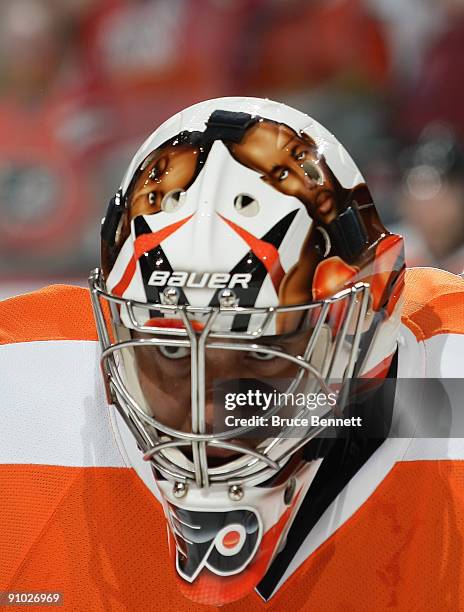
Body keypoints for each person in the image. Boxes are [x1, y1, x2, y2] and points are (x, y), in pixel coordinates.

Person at [1, 97, 464, 611]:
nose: (209, 411)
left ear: (364, 320)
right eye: (173, 351)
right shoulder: (19, 396)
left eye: (261, 354)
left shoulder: (445, 406)